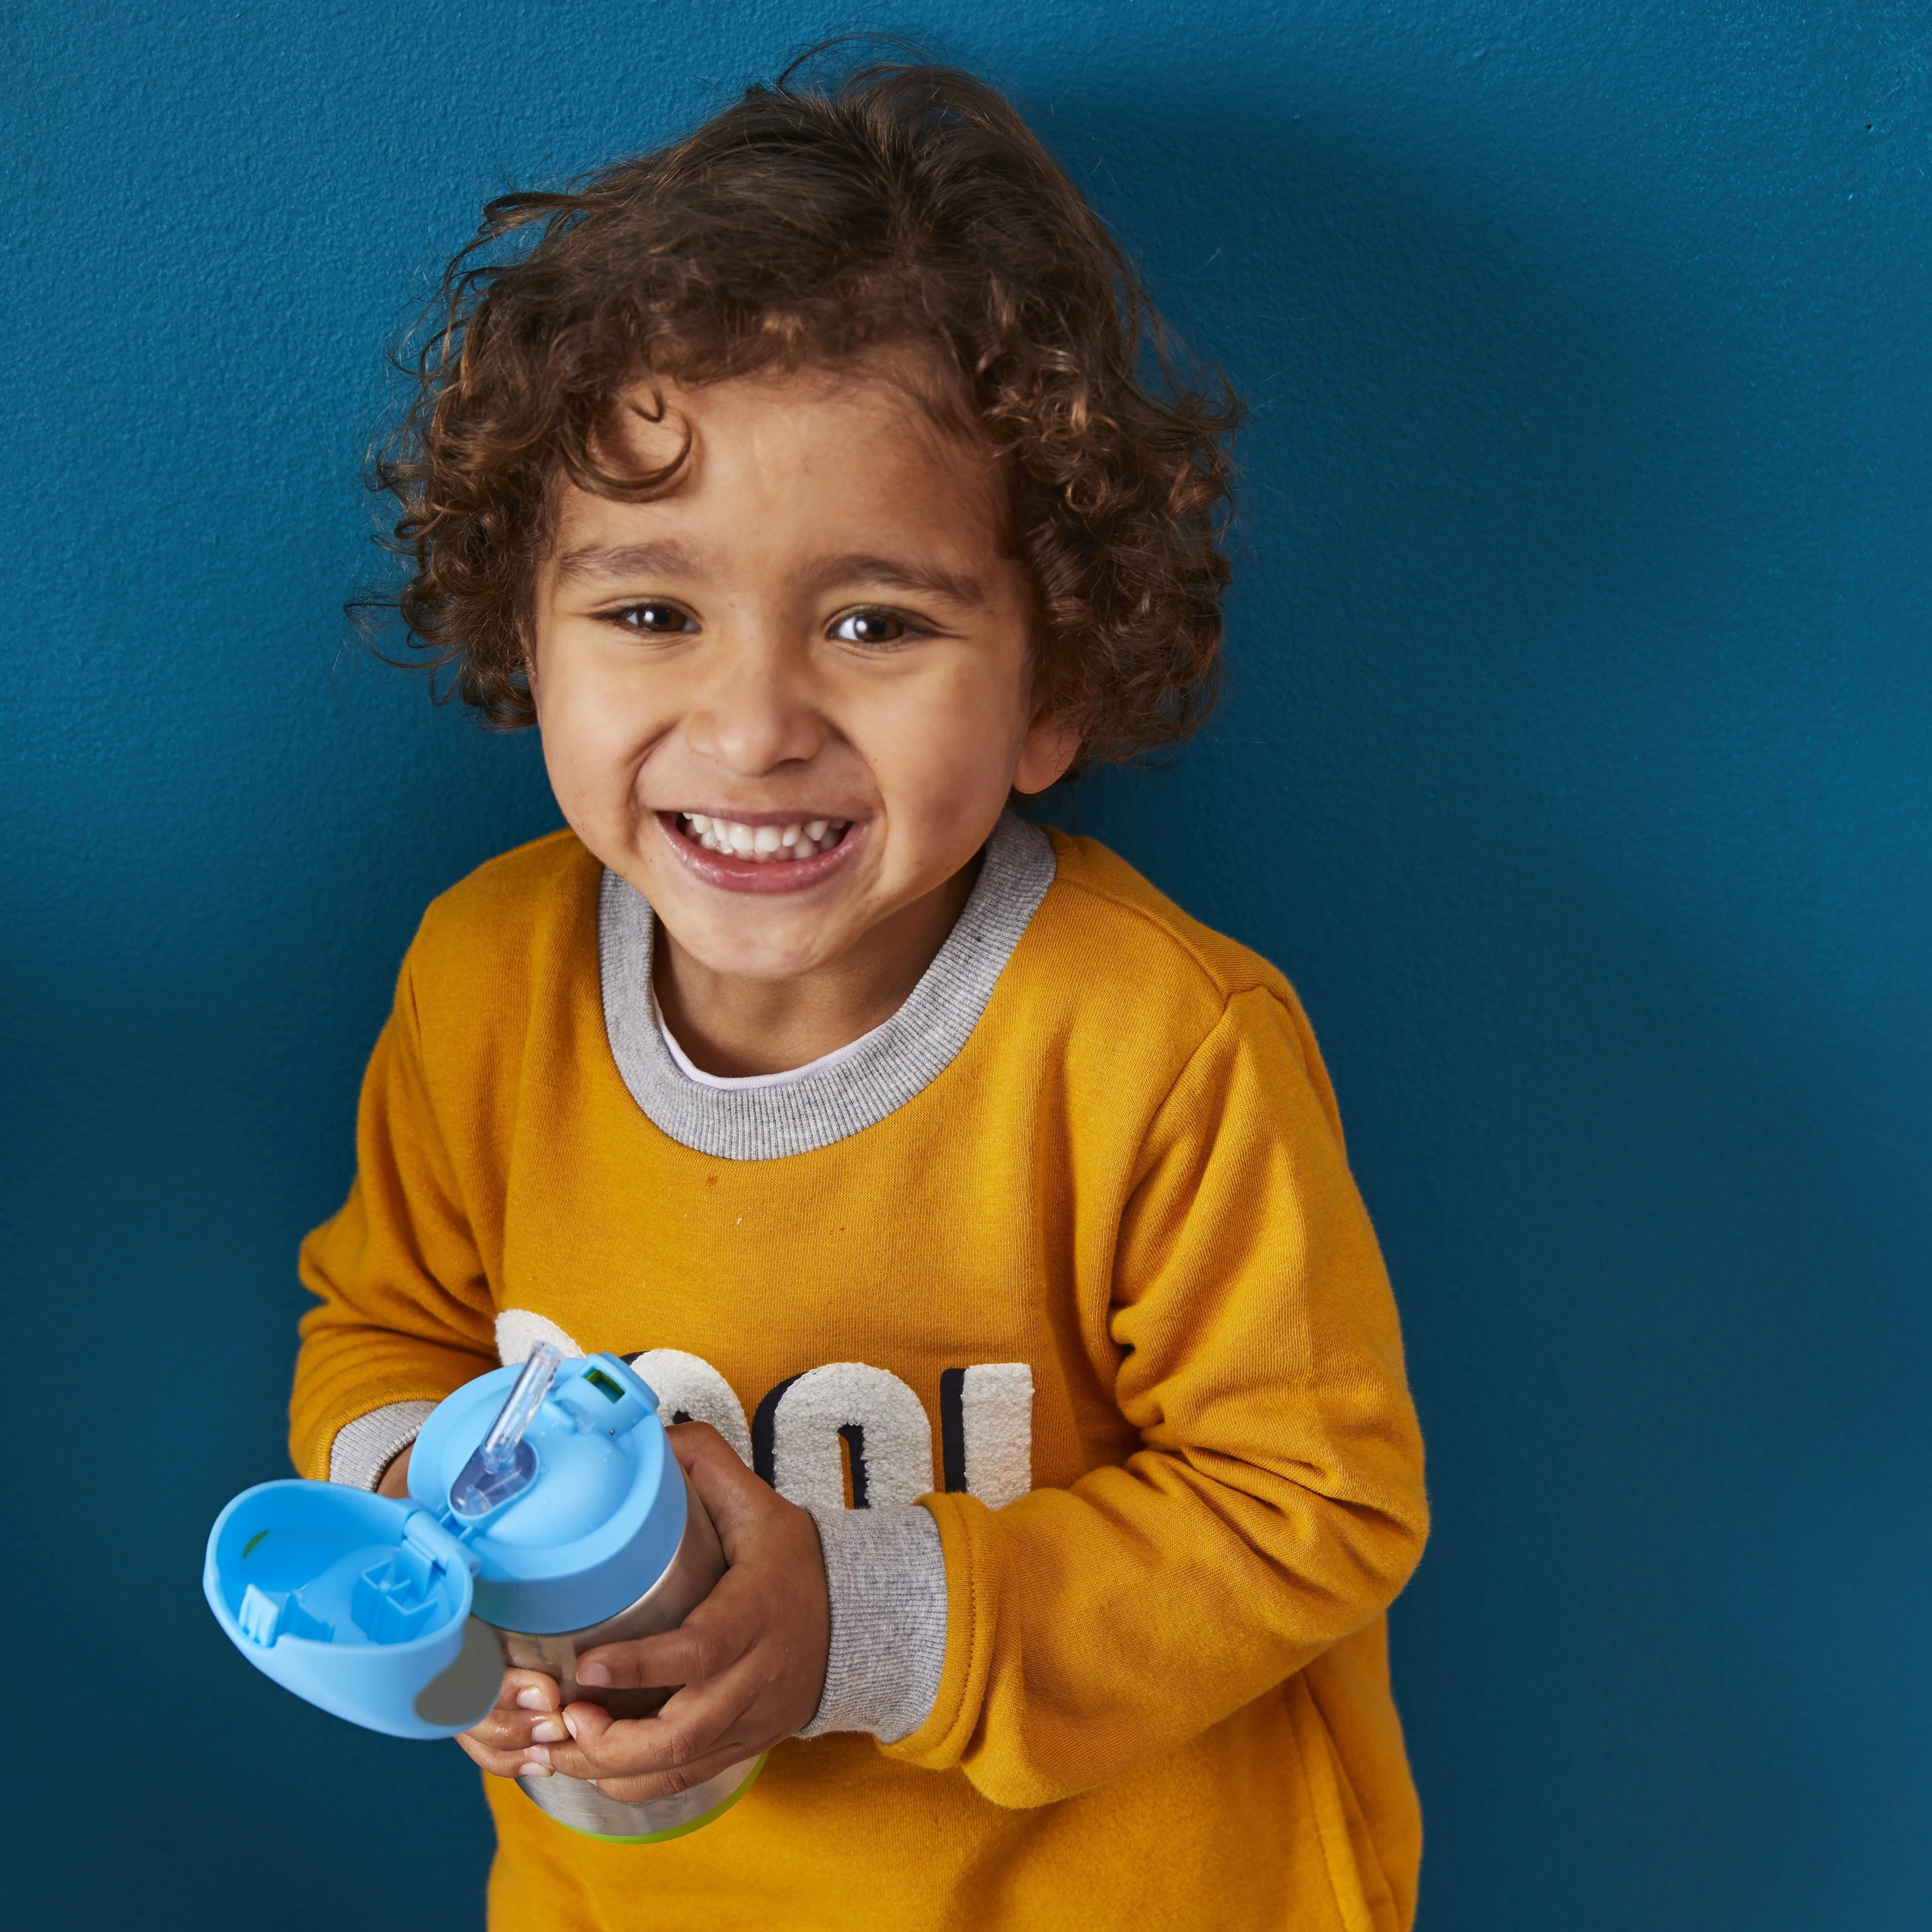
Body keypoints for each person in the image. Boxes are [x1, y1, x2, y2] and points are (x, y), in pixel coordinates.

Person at [292, 54, 1429, 1931]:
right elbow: (380, 1330)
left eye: (875, 623)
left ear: (1053, 684)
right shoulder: (482, 977)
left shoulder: (1148, 1042)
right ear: (527, 631)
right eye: (653, 613)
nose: (751, 727)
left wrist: (856, 1619)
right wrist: (436, 1510)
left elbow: (1315, 1498)